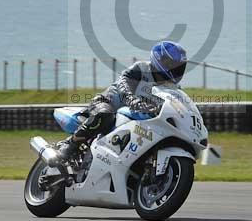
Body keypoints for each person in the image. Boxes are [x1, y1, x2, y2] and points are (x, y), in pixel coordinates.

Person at [56, 40, 188, 162]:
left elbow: (177, 107)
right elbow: (124, 83)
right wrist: (131, 99)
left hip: (131, 119)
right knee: (105, 114)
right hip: (108, 103)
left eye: (179, 67)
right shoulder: (141, 69)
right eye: (173, 65)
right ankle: (70, 144)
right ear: (161, 61)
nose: (176, 69)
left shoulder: (172, 89)